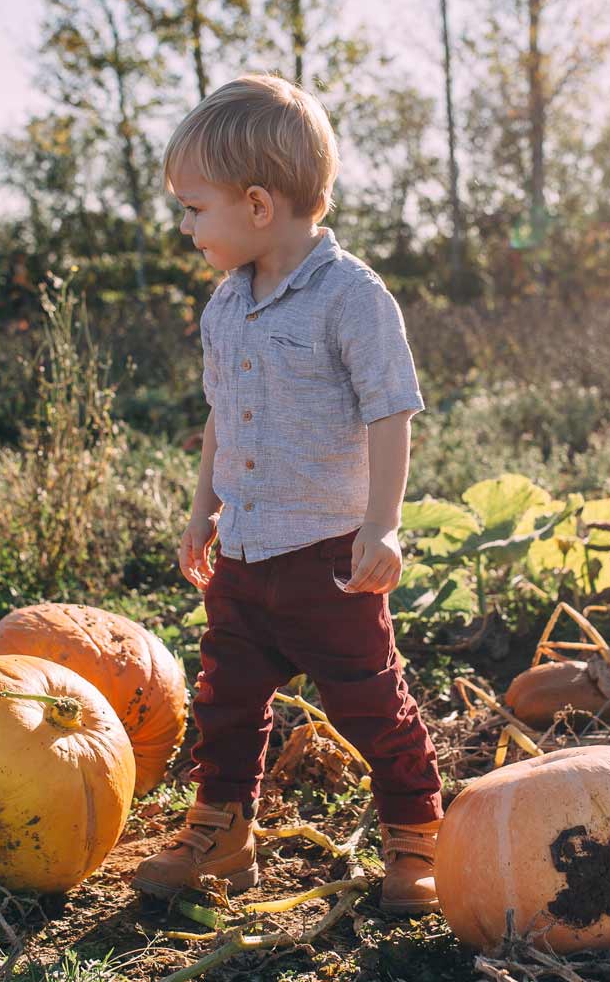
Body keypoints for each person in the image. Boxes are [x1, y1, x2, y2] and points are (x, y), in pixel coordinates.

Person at [131, 74, 445, 915]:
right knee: (224, 699)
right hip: (244, 555)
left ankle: (417, 836)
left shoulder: (353, 299)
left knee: (370, 701)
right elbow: (220, 419)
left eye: (196, 209)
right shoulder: (225, 309)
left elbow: (391, 411)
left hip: (326, 558)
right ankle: (223, 831)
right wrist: (204, 511)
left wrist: (384, 526)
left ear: (259, 205)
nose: (187, 227)